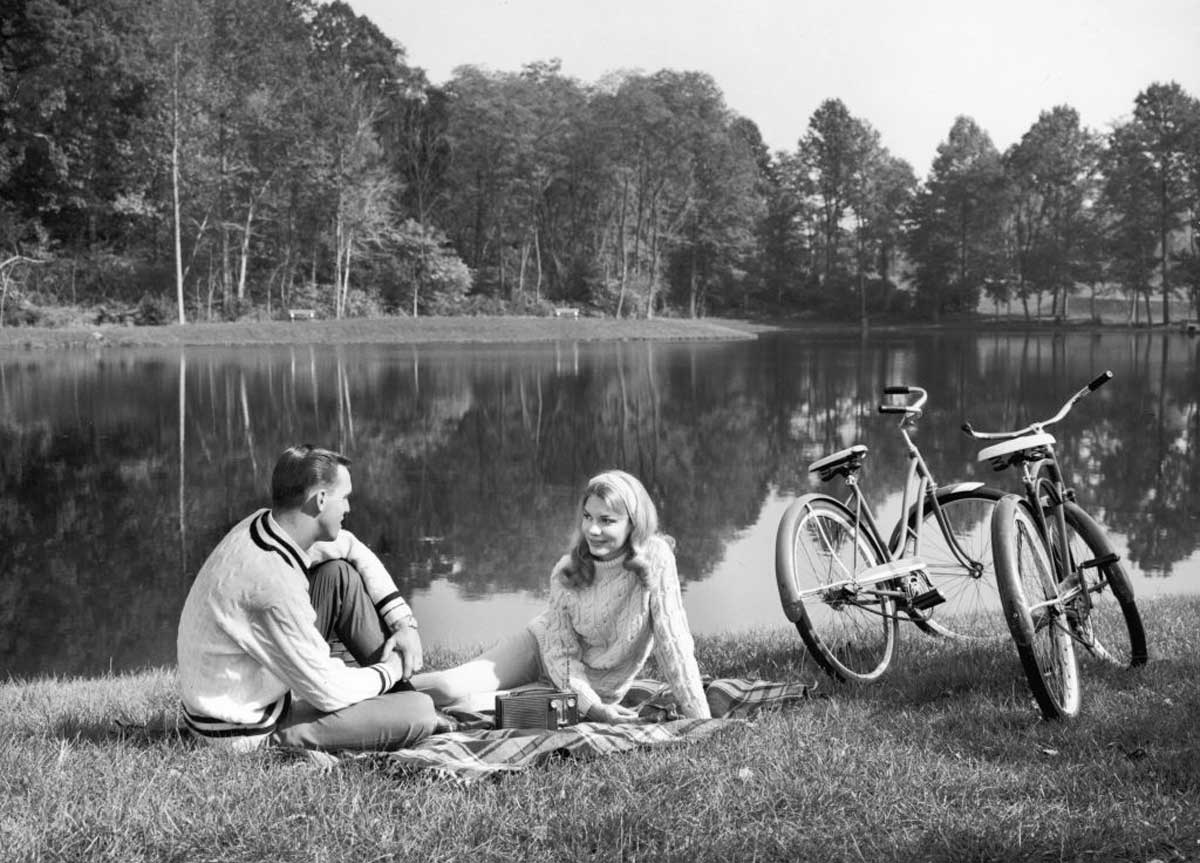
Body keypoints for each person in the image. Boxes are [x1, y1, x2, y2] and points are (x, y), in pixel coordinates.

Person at [176, 445, 438, 752]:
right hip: (243, 732)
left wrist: (403, 624)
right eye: (345, 497)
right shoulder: (271, 583)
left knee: (339, 576)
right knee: (420, 713)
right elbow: (329, 691)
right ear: (321, 500)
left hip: (247, 690)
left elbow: (351, 547)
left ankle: (397, 694)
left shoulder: (265, 525)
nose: (349, 508)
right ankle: (397, 698)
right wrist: (393, 666)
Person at [412, 469, 711, 722]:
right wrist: (593, 708)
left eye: (607, 520)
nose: (593, 530)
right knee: (448, 687)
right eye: (587, 517)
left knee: (467, 709)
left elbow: (675, 643)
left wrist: (701, 718)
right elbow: (559, 654)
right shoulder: (566, 571)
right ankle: (372, 689)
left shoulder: (656, 558)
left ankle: (405, 713)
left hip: (580, 692)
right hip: (540, 651)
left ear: (633, 523)